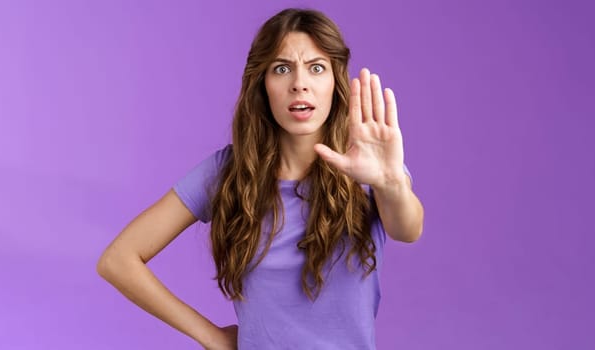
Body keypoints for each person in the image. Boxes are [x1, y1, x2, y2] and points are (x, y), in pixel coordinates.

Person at [97, 8, 424, 349]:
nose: (300, 83)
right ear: (263, 83)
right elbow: (118, 260)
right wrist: (212, 336)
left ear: (335, 82)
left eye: (316, 68)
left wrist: (391, 183)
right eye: (282, 68)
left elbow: (408, 229)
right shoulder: (228, 172)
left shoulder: (369, 163)